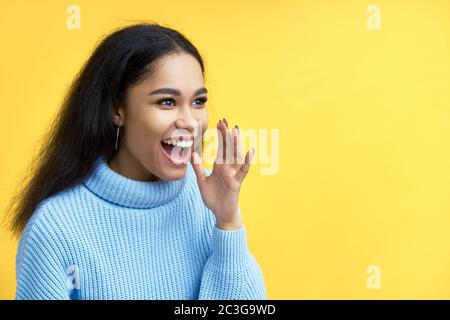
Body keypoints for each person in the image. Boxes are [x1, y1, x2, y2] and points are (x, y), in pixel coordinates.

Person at [9, 23, 266, 300]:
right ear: (116, 109)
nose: (191, 123)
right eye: (167, 102)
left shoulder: (207, 202)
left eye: (198, 101)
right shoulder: (55, 228)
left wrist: (228, 220)